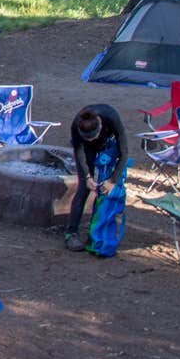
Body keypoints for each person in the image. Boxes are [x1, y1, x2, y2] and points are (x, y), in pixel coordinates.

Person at [65, 104, 126, 251]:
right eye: (88, 138)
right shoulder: (76, 125)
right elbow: (79, 151)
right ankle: (71, 233)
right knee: (83, 189)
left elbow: (124, 153)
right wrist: (87, 176)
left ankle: (96, 232)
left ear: (99, 127)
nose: (91, 140)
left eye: (93, 137)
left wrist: (112, 180)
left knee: (104, 190)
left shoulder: (112, 119)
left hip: (108, 145)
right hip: (86, 150)